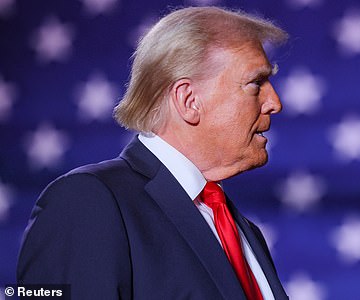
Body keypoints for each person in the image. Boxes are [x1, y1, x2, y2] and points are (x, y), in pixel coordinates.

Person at [17, 6, 288, 300]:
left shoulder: (242, 230)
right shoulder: (87, 201)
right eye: (256, 83)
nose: (275, 102)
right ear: (188, 100)